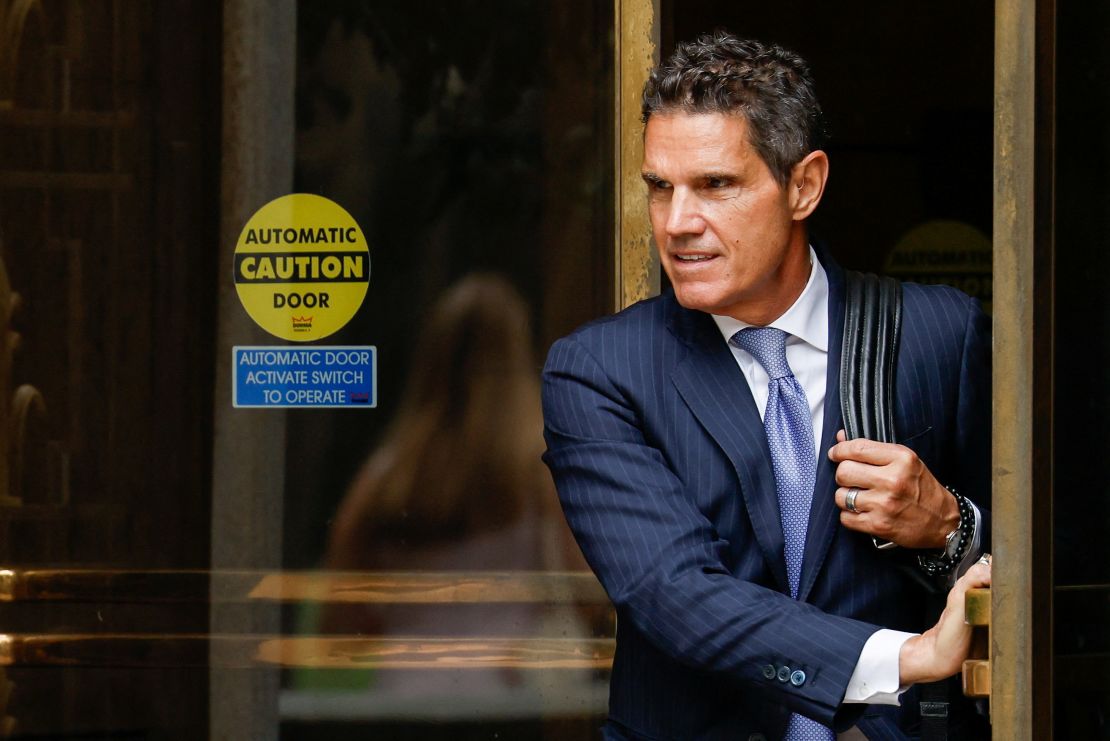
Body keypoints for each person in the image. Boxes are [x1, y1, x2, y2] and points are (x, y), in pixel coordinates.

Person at [541, 32, 992, 740]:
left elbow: (1060, 557)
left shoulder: (942, 335)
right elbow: (676, 592)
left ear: (804, 185)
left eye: (716, 185)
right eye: (660, 188)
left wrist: (948, 526)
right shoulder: (601, 370)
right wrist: (905, 655)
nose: (677, 223)